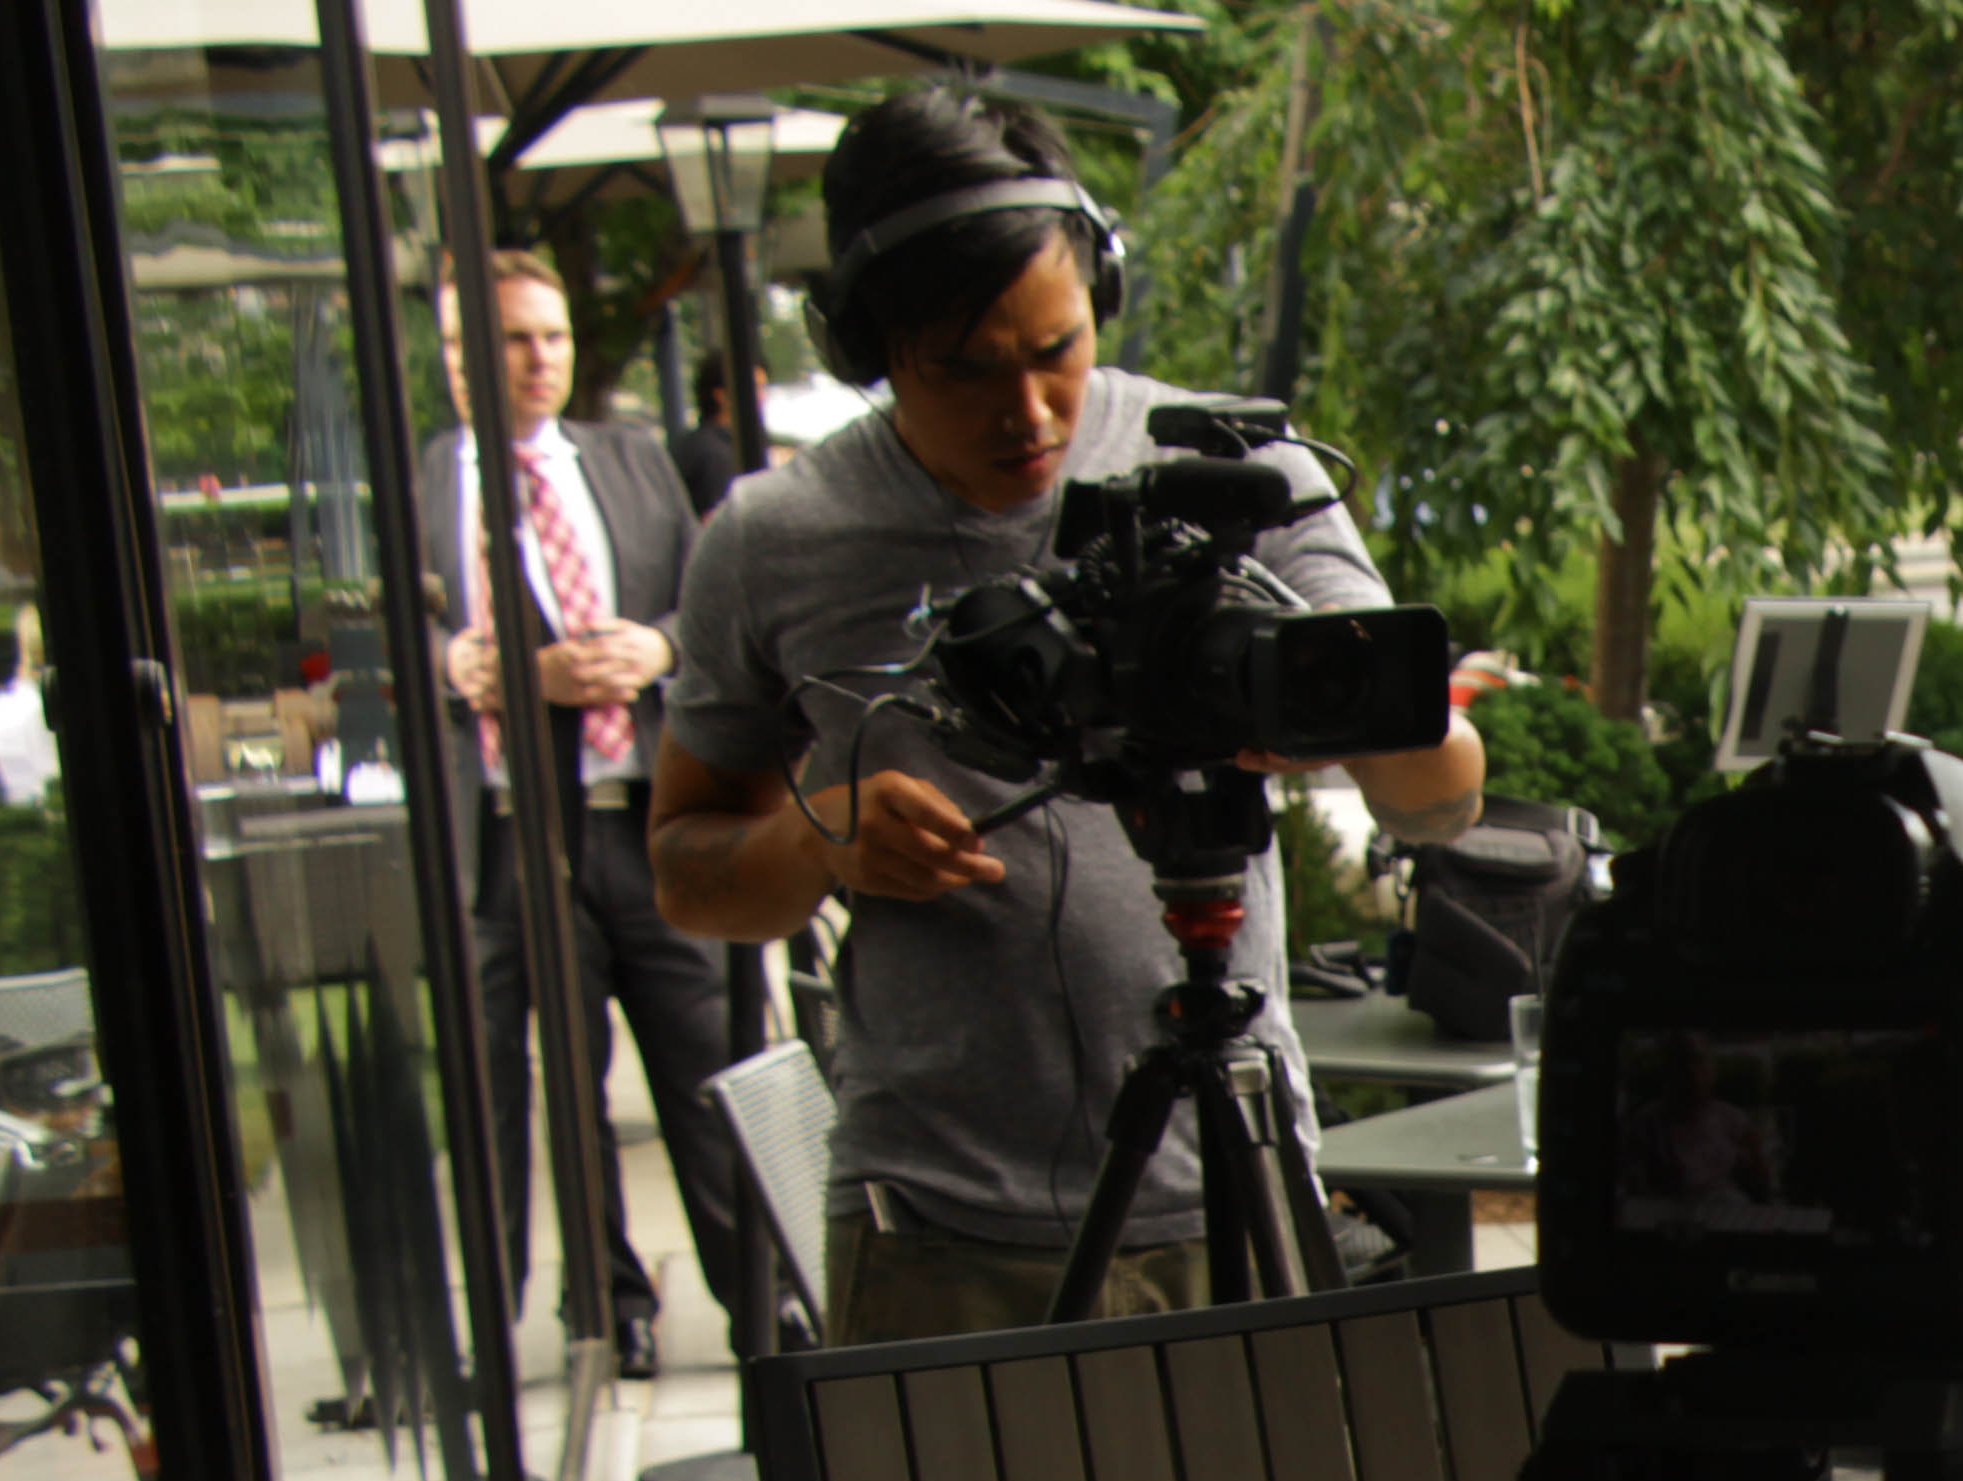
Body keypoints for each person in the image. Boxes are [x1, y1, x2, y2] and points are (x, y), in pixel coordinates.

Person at [653, 88, 1482, 1341]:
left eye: (1059, 348)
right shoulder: (772, 542)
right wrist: (818, 841)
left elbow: (1444, 797)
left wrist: (1359, 721)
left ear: (1103, 293)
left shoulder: (1236, 475)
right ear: (868, 346)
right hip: (939, 1232)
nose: (1030, 412)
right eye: (967, 369)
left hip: (1234, 1193)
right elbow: (684, 870)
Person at [424, 247, 740, 1374]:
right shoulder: (424, 483)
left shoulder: (633, 459)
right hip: (515, 836)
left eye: (552, 335)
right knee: (555, 1090)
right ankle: (605, 1307)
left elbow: (712, 603)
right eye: (512, 339)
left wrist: (654, 648)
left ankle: (763, 1297)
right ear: (455, 356)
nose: (539, 359)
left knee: (706, 1067)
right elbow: (383, 633)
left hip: (648, 819)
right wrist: (456, 663)